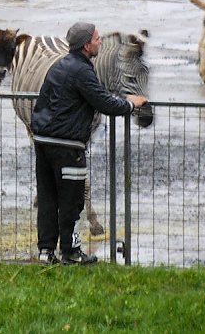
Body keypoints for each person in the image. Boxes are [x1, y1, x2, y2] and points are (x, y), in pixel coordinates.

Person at [31, 22, 148, 265]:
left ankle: (45, 252)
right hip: (66, 146)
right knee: (71, 201)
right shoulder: (82, 71)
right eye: (96, 39)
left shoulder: (60, 66)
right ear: (86, 45)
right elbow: (103, 102)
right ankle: (71, 252)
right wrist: (130, 104)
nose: (100, 42)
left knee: (48, 199)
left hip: (43, 141)